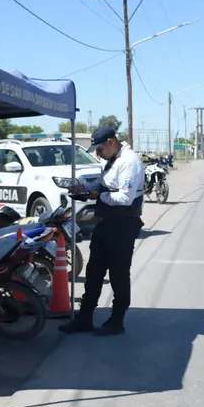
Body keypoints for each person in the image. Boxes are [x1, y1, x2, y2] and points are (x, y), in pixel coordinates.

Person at [59, 125, 145, 336]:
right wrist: (87, 190)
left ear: (111, 142)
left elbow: (125, 198)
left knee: (118, 275)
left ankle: (117, 320)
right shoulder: (112, 160)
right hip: (106, 223)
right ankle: (85, 318)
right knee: (94, 272)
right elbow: (107, 185)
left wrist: (97, 196)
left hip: (123, 226)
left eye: (100, 149)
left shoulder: (129, 162)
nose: (97, 153)